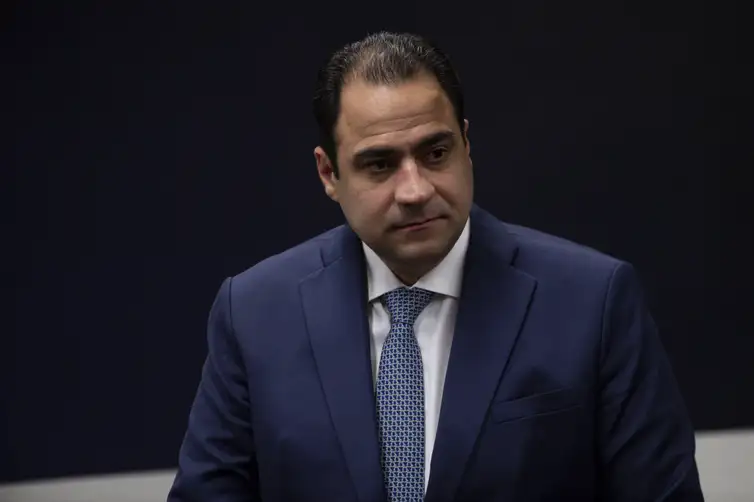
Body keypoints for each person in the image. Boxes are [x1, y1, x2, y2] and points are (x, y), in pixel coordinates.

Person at [167, 32, 703, 501]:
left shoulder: (592, 301)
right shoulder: (254, 313)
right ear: (329, 173)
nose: (415, 190)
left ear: (466, 143)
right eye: (380, 164)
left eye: (435, 153)